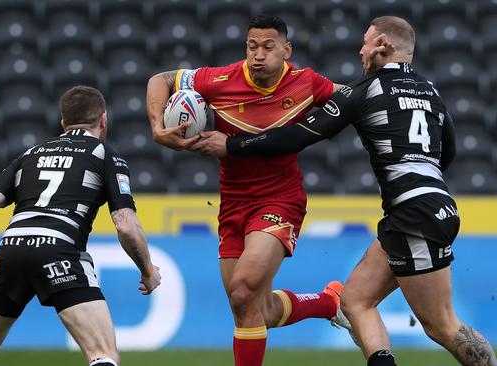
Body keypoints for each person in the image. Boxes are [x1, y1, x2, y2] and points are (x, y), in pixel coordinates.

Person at [192, 16, 497, 366]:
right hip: (431, 205)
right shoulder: (429, 90)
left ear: (383, 45)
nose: (360, 50)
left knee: (441, 325)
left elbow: (296, 135)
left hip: (413, 214)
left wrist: (232, 145)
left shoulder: (365, 90)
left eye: (366, 42)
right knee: (354, 301)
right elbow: (449, 151)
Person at [147, 15, 351, 366]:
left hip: (280, 200)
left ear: (286, 50)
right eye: (251, 46)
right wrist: (157, 127)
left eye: (268, 47)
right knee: (251, 308)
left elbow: (351, 99)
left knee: (243, 288)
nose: (258, 55)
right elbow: (159, 80)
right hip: (233, 204)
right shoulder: (218, 80)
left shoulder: (308, 83)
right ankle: (329, 301)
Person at [0, 86, 161, 366]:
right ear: (104, 120)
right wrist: (148, 271)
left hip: (12, 248)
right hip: (59, 250)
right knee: (102, 352)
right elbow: (126, 224)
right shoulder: (106, 155)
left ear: (63, 122)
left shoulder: (30, 154)